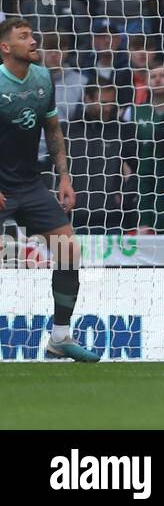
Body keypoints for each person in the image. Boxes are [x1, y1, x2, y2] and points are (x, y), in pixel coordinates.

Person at [0, 18, 96, 361]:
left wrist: (64, 178)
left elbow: (53, 130)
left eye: (32, 35)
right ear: (5, 47)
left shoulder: (42, 78)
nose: (33, 41)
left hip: (30, 184)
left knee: (69, 249)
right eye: (24, 37)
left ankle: (60, 336)